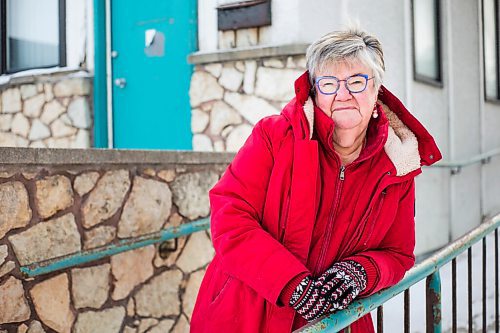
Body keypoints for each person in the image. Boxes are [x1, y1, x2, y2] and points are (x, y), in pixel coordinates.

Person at [190, 27, 441, 333]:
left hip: (336, 323)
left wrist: (360, 272)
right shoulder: (275, 136)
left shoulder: (396, 164)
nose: (343, 94)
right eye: (329, 83)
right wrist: (291, 284)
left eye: (357, 81)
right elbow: (230, 217)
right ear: (314, 90)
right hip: (244, 315)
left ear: (377, 90)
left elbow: (397, 253)